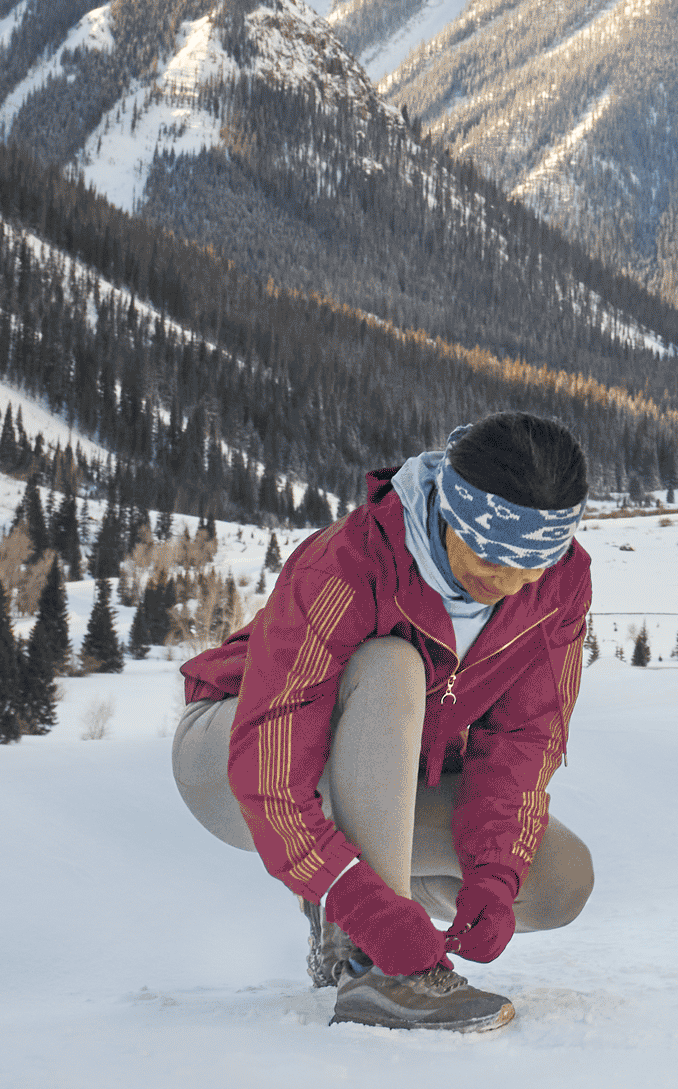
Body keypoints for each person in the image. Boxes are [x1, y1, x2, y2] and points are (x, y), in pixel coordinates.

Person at [172, 413, 599, 1032]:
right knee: (391, 664)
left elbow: (523, 740)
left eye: (530, 566)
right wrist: (371, 914)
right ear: (452, 514)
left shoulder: (560, 586)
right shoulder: (351, 560)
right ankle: (375, 969)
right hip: (234, 759)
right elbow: (269, 771)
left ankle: (354, 902)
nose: (508, 585)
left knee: (558, 880)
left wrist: (492, 878)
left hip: (380, 779)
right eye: (489, 559)